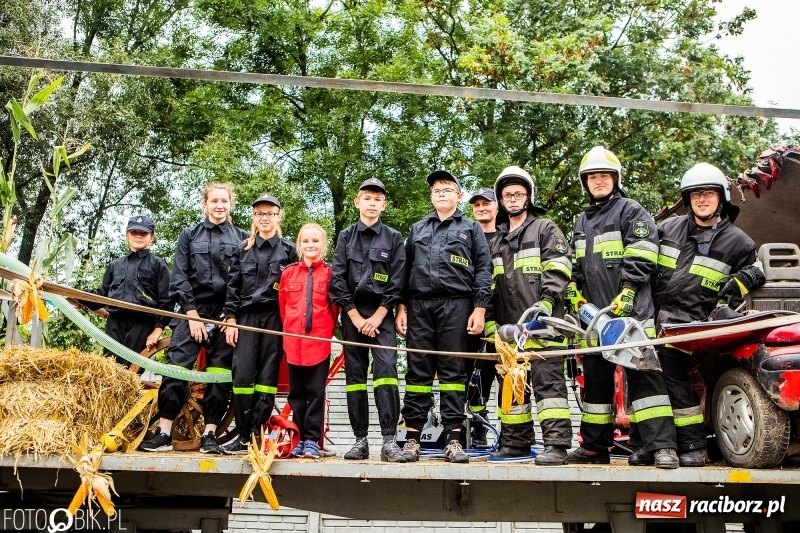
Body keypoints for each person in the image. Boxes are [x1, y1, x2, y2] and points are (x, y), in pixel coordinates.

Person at [565, 146, 679, 469]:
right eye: (592, 176)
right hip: (595, 320)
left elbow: (643, 253)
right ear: (585, 182)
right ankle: (595, 447)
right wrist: (572, 288)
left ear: (615, 179)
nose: (598, 181)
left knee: (645, 379)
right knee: (597, 385)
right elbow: (578, 263)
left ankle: (663, 448)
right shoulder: (581, 221)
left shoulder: (631, 211)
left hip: (631, 315)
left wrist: (628, 290)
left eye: (604, 175)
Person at [647, 163, 765, 467]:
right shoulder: (668, 228)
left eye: (708, 194)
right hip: (654, 320)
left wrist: (743, 281)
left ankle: (693, 445)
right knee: (647, 382)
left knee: (672, 376)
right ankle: (650, 444)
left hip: (693, 326)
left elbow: (755, 271)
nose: (702, 199)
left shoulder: (739, 242)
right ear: (688, 199)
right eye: (696, 194)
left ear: (721, 198)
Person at [139, 183, 248, 454]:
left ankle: (210, 434)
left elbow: (243, 280)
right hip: (191, 313)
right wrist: (192, 316)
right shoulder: (189, 235)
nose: (219, 205)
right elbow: (179, 277)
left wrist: (230, 314)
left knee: (219, 375)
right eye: (214, 201)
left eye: (224, 201)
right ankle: (164, 432)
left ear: (230, 205)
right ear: (205, 204)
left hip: (225, 317)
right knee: (175, 368)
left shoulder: (244, 238)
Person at [396, 170, 493, 464]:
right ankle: (412, 439)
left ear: (458, 196)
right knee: (417, 373)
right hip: (419, 307)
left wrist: (479, 307)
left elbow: (483, 270)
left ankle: (453, 440)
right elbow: (403, 270)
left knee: (453, 373)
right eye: (436, 190)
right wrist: (401, 308)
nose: (441, 193)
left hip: (458, 306)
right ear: (431, 196)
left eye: (448, 189)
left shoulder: (471, 229)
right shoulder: (417, 229)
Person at [484, 166, 573, 465]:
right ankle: (515, 444)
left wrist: (547, 302)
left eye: (518, 194)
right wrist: (490, 322)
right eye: (507, 195)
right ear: (500, 200)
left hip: (544, 326)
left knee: (550, 390)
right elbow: (488, 285)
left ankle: (557, 446)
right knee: (512, 389)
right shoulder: (494, 241)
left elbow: (559, 266)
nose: (512, 199)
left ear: (528, 197)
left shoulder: (545, 229)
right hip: (509, 333)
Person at [329, 178, 407, 463]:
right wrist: (353, 315)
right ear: (357, 202)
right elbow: (337, 280)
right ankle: (360, 440)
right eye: (367, 198)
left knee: (386, 371)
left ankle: (389, 441)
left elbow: (398, 281)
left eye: (377, 199)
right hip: (352, 317)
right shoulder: (345, 237)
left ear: (383, 205)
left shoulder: (394, 238)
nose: (372, 203)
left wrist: (377, 316)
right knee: (354, 380)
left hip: (382, 316)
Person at [221, 194, 299, 454]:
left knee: (267, 379)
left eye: (270, 213)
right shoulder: (241, 249)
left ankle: (256, 433)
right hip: (245, 318)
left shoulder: (290, 251)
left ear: (279, 216)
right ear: (254, 217)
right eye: (260, 213)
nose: (265, 218)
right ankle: (242, 436)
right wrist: (230, 319)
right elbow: (232, 288)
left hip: (275, 319)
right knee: (242, 376)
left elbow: (296, 291)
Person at [279, 223, 340, 459]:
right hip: (293, 344)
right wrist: (292, 332)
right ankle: (299, 438)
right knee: (296, 394)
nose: (310, 245)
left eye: (315, 241)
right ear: (299, 245)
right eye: (305, 241)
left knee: (315, 392)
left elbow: (334, 310)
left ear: (323, 245)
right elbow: (283, 308)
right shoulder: (288, 274)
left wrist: (324, 333)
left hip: (319, 344)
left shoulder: (330, 274)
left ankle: (312, 440)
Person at [84, 215, 171, 367]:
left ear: (151, 238)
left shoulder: (158, 265)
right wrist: (79, 296)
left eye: (144, 233)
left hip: (143, 325)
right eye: (134, 232)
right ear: (127, 235)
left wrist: (158, 329)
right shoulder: (115, 265)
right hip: (114, 323)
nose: (138, 236)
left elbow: (167, 300)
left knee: (133, 371)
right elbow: (102, 294)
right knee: (110, 369)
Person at [464, 187, 499, 446]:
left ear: (497, 207)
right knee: (475, 378)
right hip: (473, 319)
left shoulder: (507, 237)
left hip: (505, 319)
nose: (481, 208)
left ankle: (512, 433)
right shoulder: (466, 237)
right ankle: (478, 433)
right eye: (476, 205)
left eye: (486, 203)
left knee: (510, 377)